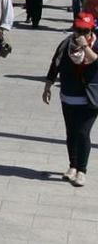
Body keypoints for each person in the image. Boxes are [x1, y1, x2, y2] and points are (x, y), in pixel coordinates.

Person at [44, 12, 98, 187]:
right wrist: (48, 85)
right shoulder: (66, 44)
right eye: (78, 30)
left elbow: (95, 62)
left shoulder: (95, 45)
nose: (80, 34)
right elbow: (56, 63)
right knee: (71, 133)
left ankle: (82, 170)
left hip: (90, 98)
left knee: (83, 133)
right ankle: (72, 166)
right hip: (69, 96)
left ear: (91, 30)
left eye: (85, 31)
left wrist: (85, 47)